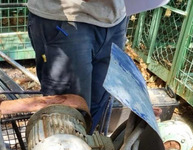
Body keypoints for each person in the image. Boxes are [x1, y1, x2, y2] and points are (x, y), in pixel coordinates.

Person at [27, 0, 128, 130]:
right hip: (65, 18)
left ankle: (85, 145)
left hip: (114, 17)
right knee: (67, 117)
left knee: (95, 109)